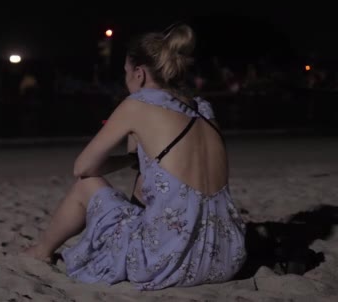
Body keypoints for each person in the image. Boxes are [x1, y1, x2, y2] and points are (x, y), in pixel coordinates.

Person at [23, 24, 247, 290]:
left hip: (170, 262)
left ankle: (41, 251)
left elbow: (82, 167)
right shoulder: (204, 109)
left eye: (126, 73)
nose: (126, 79)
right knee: (150, 182)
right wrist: (137, 160)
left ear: (139, 74)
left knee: (86, 185)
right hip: (226, 258)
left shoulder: (138, 104)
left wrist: (123, 161)